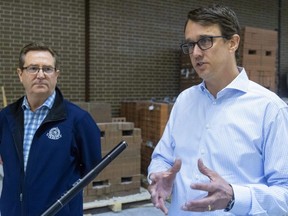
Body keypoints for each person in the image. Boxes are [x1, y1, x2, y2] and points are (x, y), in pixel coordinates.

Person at [148, 4, 288, 216]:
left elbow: (284, 195)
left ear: (232, 43)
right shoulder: (185, 101)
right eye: (190, 44)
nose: (195, 53)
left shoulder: (269, 108)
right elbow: (162, 156)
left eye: (205, 41)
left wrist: (234, 196)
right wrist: (159, 174)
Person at [0, 42, 102, 216]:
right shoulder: (5, 117)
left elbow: (91, 169)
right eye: (33, 68)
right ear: (20, 74)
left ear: (56, 75)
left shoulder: (79, 120)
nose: (40, 75)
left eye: (47, 69)